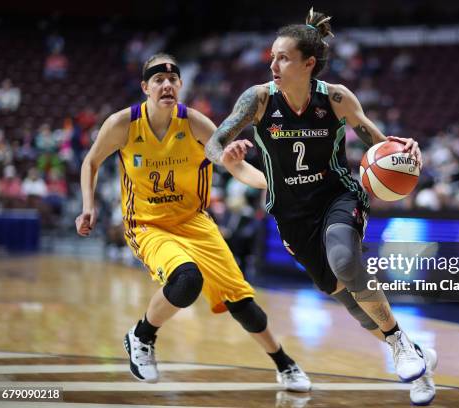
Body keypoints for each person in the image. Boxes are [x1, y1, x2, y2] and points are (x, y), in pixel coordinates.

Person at [205, 9, 437, 406]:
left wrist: (405, 152)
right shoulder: (259, 99)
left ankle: (398, 344)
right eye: (272, 57)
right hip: (291, 215)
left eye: (283, 57)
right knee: (351, 302)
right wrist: (225, 152)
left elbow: (380, 149)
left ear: (308, 64)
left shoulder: (337, 98)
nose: (273, 64)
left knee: (346, 262)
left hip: (337, 197)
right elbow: (212, 143)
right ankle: (416, 354)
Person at [75, 53, 311, 392]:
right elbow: (91, 162)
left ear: (180, 85)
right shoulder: (123, 124)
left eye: (172, 80)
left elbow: (234, 165)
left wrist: (275, 183)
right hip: (147, 224)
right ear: (146, 87)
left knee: (244, 305)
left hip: (195, 223)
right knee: (187, 279)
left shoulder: (196, 123)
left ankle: (284, 365)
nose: (166, 85)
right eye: (158, 80)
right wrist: (88, 206)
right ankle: (141, 337)